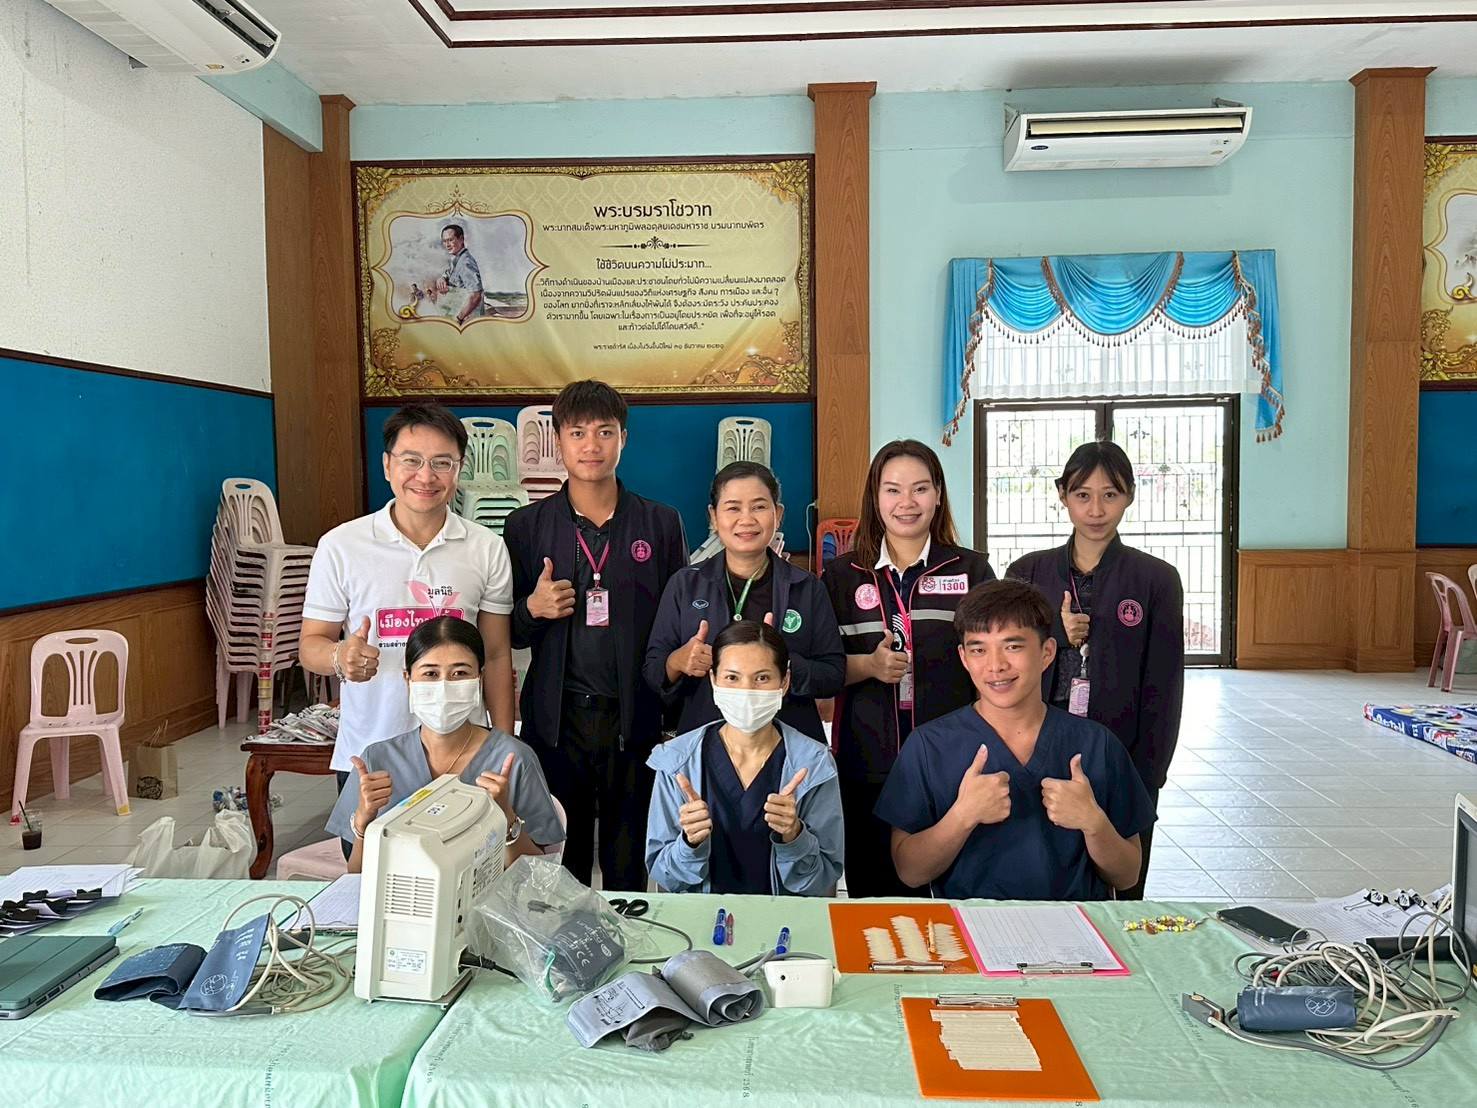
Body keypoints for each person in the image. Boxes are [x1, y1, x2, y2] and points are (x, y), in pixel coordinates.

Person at [301, 402, 516, 857]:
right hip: (371, 755)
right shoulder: (341, 545)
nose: (426, 476)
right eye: (412, 460)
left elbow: (497, 654)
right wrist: (340, 657)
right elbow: (311, 645)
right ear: (387, 465)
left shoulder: (486, 548)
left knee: (466, 875)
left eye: (442, 462)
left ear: (459, 469)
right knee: (371, 878)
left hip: (464, 752)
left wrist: (501, 741)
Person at [503, 380, 687, 891]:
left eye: (605, 432)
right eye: (578, 432)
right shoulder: (526, 526)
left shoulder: (660, 523)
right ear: (559, 441)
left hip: (635, 716)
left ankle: (628, 942)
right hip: (557, 720)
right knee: (562, 863)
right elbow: (507, 633)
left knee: (630, 864)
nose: (591, 445)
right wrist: (533, 609)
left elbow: (675, 623)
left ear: (623, 438)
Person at [876, 580, 1154, 901]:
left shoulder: (1096, 744)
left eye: (1013, 646)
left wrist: (1094, 823)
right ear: (963, 658)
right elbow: (910, 872)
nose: (996, 666)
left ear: (1047, 652)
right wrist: (962, 816)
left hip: (1073, 926)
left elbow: (1127, 875)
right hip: (972, 925)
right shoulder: (928, 746)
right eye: (979, 649)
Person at [1006, 440, 1184, 900]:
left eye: (1110, 494)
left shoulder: (1156, 579)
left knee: (1121, 885)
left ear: (1130, 496)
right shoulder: (1027, 573)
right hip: (1037, 748)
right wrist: (1055, 631)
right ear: (1062, 495)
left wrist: (1148, 775)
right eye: (1082, 495)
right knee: (1042, 877)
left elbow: (1165, 688)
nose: (1096, 510)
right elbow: (1004, 661)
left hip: (1119, 753)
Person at [823, 439, 995, 897]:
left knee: (957, 900)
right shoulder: (842, 576)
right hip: (868, 764)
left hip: (954, 762)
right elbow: (822, 669)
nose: (907, 502)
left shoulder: (971, 570)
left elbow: (995, 663)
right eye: (893, 489)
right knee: (876, 902)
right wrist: (868, 665)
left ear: (938, 494)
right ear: (875, 497)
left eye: (920, 488)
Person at [326, 617, 562, 873]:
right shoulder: (378, 760)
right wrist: (364, 822)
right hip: (402, 895)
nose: (444, 686)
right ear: (408, 679)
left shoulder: (512, 759)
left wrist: (506, 817)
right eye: (430, 673)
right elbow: (357, 875)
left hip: (491, 896)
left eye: (460, 673)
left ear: (479, 678)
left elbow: (538, 872)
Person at [645, 461, 845, 744]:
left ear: (778, 514)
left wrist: (781, 663)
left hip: (790, 746)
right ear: (714, 517)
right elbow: (653, 671)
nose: (747, 519)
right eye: (733, 508)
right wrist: (678, 661)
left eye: (759, 507)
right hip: (704, 744)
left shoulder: (807, 588)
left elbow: (834, 674)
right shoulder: (685, 585)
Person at [646, 621, 844, 896]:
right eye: (732, 678)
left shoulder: (814, 765)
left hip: (785, 919)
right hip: (704, 918)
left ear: (784, 682)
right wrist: (689, 844)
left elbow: (822, 881)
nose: (746, 691)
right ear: (713, 680)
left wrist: (795, 836)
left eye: (762, 678)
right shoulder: (677, 762)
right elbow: (665, 876)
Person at [431, 223, 484, 324]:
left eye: (451, 240)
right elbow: (450, 273)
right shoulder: (457, 259)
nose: (447, 245)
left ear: (461, 239)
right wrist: (442, 278)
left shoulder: (466, 262)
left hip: (465, 321)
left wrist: (458, 319)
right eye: (445, 241)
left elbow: (476, 295)